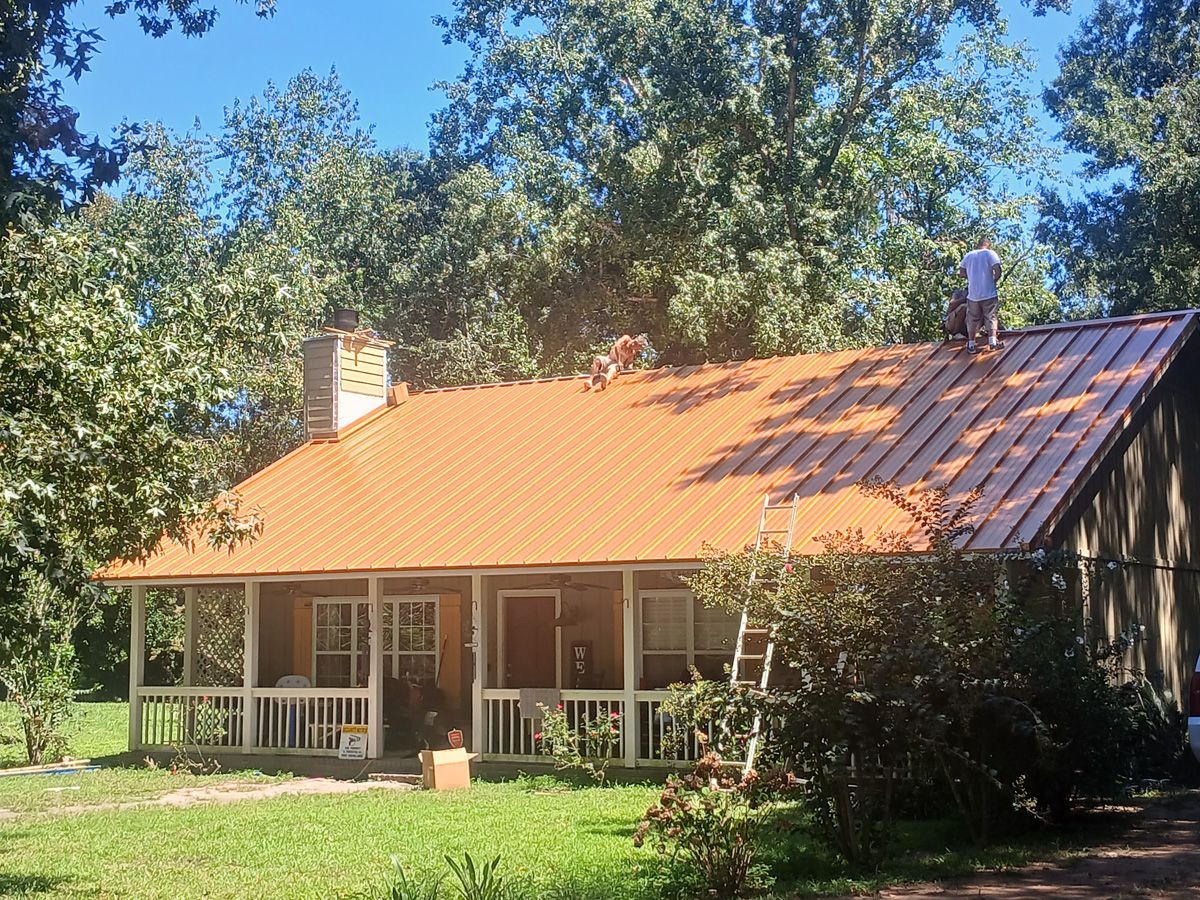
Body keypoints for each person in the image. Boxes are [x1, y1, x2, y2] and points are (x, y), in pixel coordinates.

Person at [958, 238, 1004, 354]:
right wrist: (994, 280)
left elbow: (961, 273)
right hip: (988, 292)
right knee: (991, 317)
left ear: (978, 245)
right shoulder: (990, 254)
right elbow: (997, 269)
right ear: (988, 245)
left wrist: (972, 277)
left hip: (973, 294)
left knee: (972, 319)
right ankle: (992, 343)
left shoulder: (968, 256)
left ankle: (971, 345)